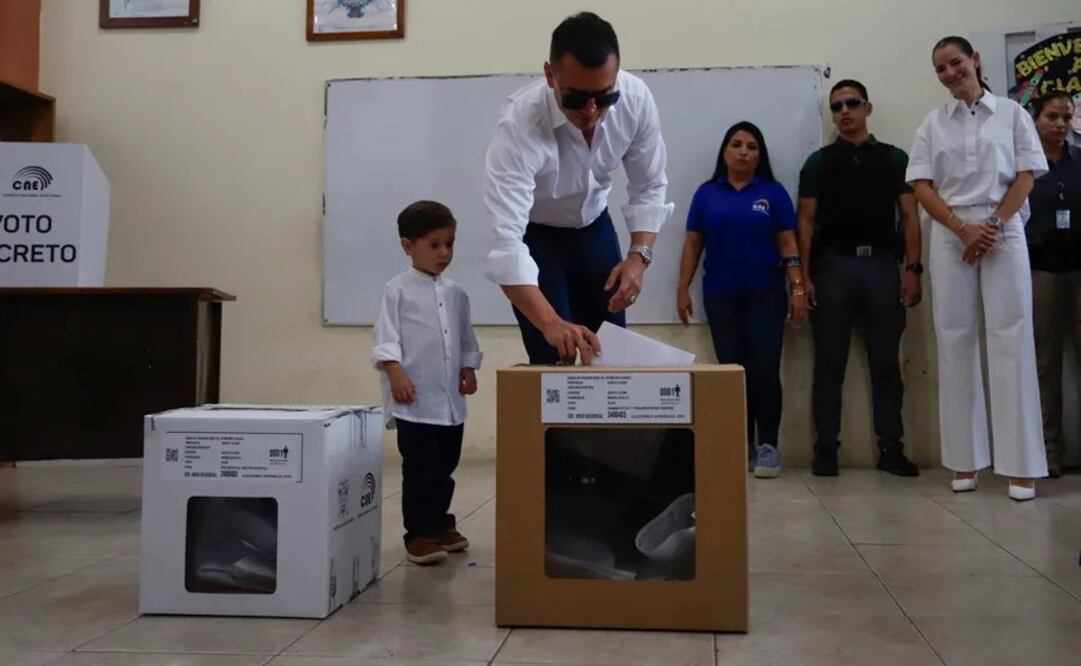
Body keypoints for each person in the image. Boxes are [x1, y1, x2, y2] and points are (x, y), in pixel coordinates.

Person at [483, 12, 673, 365]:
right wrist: (550, 322)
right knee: (554, 356)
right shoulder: (519, 126)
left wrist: (638, 257)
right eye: (576, 98)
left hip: (594, 228)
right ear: (550, 75)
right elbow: (506, 245)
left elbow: (648, 185)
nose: (590, 111)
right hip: (538, 237)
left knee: (609, 355)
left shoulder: (635, 100)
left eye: (604, 97)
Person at [907, 36, 1049, 501]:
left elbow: (1026, 175)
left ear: (975, 60)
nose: (950, 73)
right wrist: (960, 228)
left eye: (956, 62)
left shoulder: (1012, 114)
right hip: (951, 232)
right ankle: (965, 460)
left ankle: (1021, 466)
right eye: (941, 69)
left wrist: (992, 225)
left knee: (1012, 336)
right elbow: (921, 185)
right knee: (954, 338)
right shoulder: (933, 123)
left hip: (1003, 228)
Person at [797, 79, 922, 478]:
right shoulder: (818, 163)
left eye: (852, 103)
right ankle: (825, 449)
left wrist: (913, 269)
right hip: (831, 269)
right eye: (837, 106)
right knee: (829, 363)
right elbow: (805, 221)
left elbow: (910, 216)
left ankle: (891, 448)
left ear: (868, 108)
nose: (845, 112)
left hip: (882, 268)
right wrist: (802, 277)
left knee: (886, 363)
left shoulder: (894, 159)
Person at [676, 122, 804, 478]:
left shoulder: (772, 192)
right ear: (725, 151)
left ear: (760, 156)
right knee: (733, 371)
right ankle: (740, 444)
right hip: (721, 295)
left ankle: (768, 446)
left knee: (764, 367)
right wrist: (682, 288)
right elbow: (693, 244)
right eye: (736, 145)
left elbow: (788, 243)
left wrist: (797, 287)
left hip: (766, 293)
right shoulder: (707, 194)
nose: (743, 152)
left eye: (751, 147)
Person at [372, 201, 483, 564]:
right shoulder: (396, 290)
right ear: (408, 245)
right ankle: (418, 534)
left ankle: (440, 525)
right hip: (414, 400)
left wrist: (468, 368)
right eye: (434, 245)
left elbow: (465, 338)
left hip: (449, 401)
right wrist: (395, 371)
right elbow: (386, 336)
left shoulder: (457, 294)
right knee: (420, 468)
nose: (444, 253)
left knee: (445, 465)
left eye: (449, 244)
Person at [1026, 92, 1081, 478]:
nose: (1060, 124)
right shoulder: (1025, 166)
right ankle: (1049, 451)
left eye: (1066, 117)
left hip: (1080, 270)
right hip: (1040, 271)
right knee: (1045, 364)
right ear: (1036, 119)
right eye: (1051, 116)